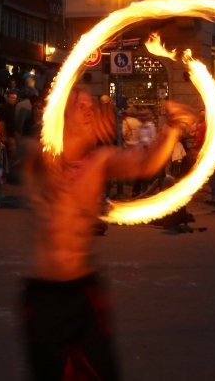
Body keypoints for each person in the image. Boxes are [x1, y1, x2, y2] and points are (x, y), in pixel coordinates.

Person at [19, 88, 196, 379]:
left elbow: (145, 163)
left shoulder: (100, 161)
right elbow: (34, 158)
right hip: (44, 298)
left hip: (85, 293)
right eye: (81, 106)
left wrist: (174, 127)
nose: (90, 111)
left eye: (92, 106)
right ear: (61, 113)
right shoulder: (42, 158)